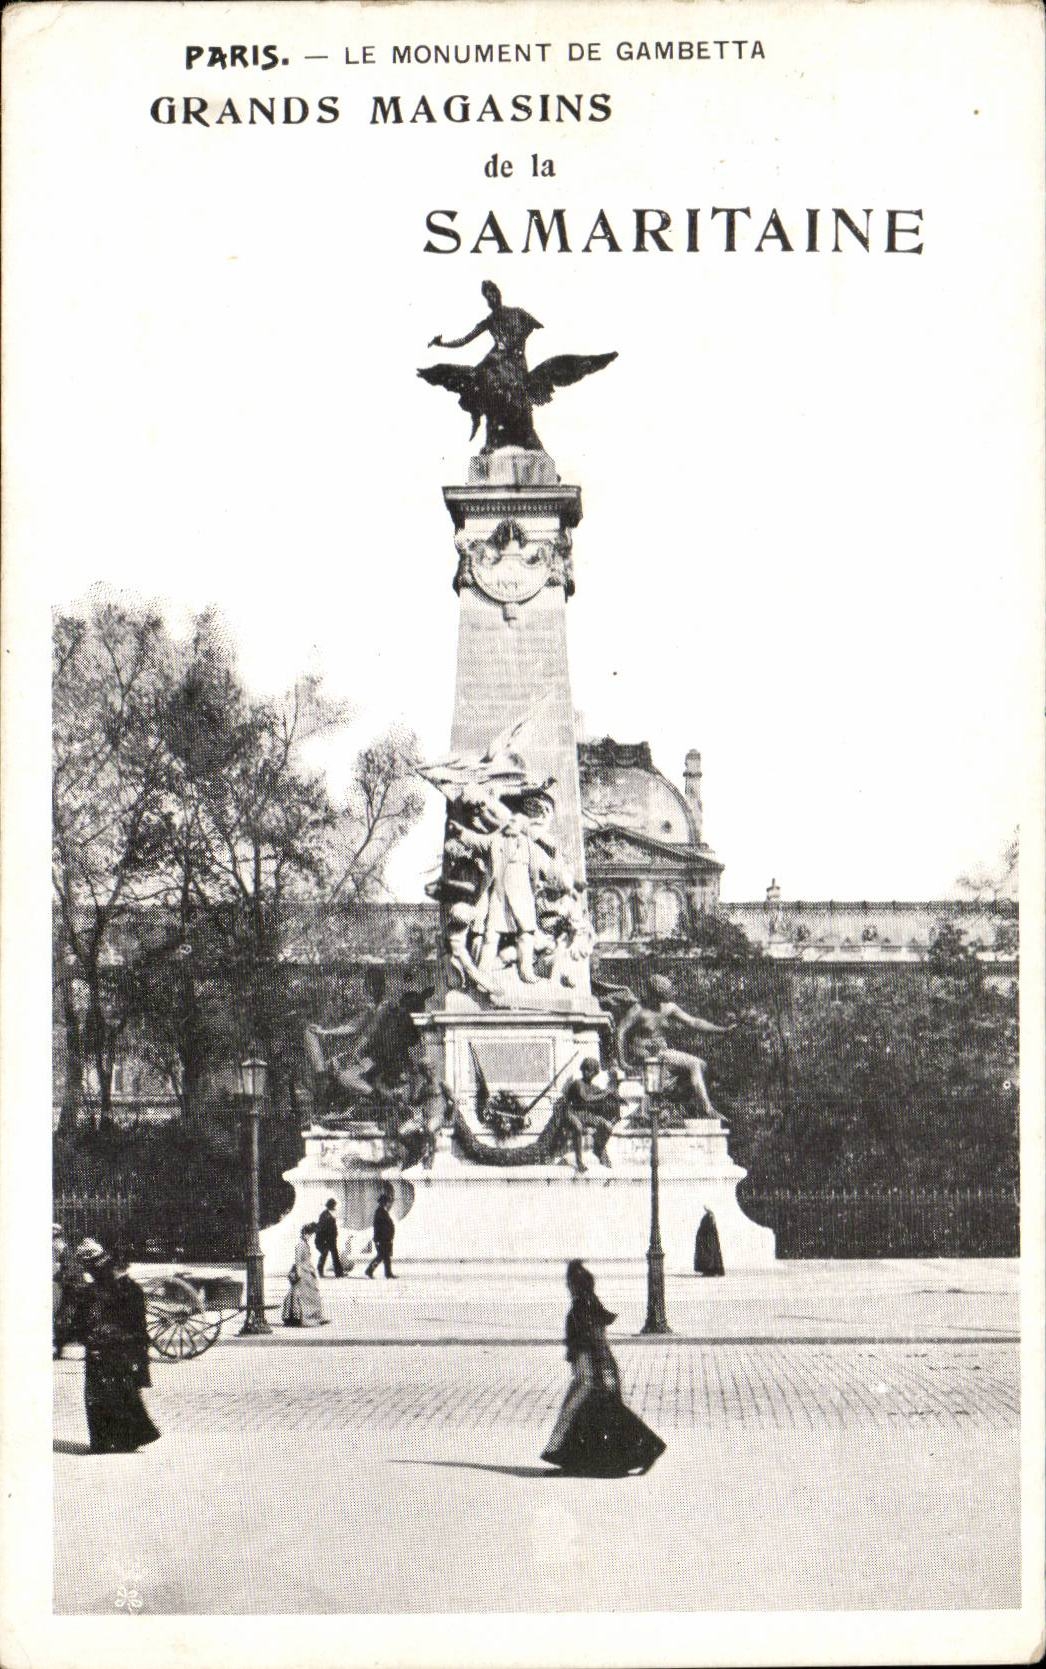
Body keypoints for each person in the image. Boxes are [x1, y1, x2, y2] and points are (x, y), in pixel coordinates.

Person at [541, 1260, 665, 1477]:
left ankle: (646, 1449)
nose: (567, 1287)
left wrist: (584, 1371)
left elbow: (586, 1342)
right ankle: (638, 1452)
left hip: (591, 1370)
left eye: (569, 1283)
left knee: (580, 1412)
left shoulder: (580, 1309)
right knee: (598, 1416)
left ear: (576, 1285)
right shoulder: (591, 1304)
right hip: (602, 1368)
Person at [78, 1241, 160, 1455]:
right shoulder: (124, 1285)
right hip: (121, 1343)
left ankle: (106, 1441)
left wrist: (94, 1336)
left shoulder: (101, 1286)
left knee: (104, 1392)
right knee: (123, 1390)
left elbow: (90, 1317)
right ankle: (126, 1438)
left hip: (108, 1344)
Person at [562, 1059, 621, 1172]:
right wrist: (605, 1094)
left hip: (586, 1115)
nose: (587, 1072)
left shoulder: (593, 1087)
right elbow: (586, 1099)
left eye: (590, 1070)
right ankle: (579, 1162)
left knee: (607, 1126)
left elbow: (602, 1095)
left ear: (595, 1073)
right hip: (571, 1112)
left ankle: (598, 1147)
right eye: (585, 1069)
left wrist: (614, 1095)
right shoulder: (578, 1084)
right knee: (578, 1127)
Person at [282, 1224, 328, 1326]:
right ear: (304, 1233)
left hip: (307, 1272)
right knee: (303, 1296)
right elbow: (298, 1261)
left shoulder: (305, 1244)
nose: (309, 1236)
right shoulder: (300, 1245)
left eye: (310, 1235)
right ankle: (303, 1317)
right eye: (308, 1234)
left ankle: (316, 1316)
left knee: (313, 1294)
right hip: (302, 1273)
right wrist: (298, 1274)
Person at [365, 1187, 397, 1280]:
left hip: (385, 1238)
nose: (388, 1203)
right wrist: (377, 1239)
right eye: (387, 1202)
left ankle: (388, 1273)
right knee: (381, 1257)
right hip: (382, 1239)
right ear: (384, 1202)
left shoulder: (383, 1211)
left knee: (385, 1257)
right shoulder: (380, 1212)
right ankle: (370, 1270)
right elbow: (377, 1227)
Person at [315, 1199, 344, 1278]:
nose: (335, 1207)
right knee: (326, 1254)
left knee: (334, 1255)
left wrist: (335, 1234)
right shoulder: (325, 1215)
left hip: (331, 1238)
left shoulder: (329, 1213)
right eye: (333, 1205)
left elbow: (332, 1227)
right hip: (325, 1238)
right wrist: (325, 1239)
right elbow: (323, 1228)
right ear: (330, 1206)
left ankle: (338, 1272)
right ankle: (321, 1269)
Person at [694, 1207, 725, 1276]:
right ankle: (711, 1269)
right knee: (710, 1252)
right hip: (708, 1240)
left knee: (709, 1253)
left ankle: (710, 1269)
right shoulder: (709, 1219)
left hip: (708, 1240)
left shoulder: (708, 1219)